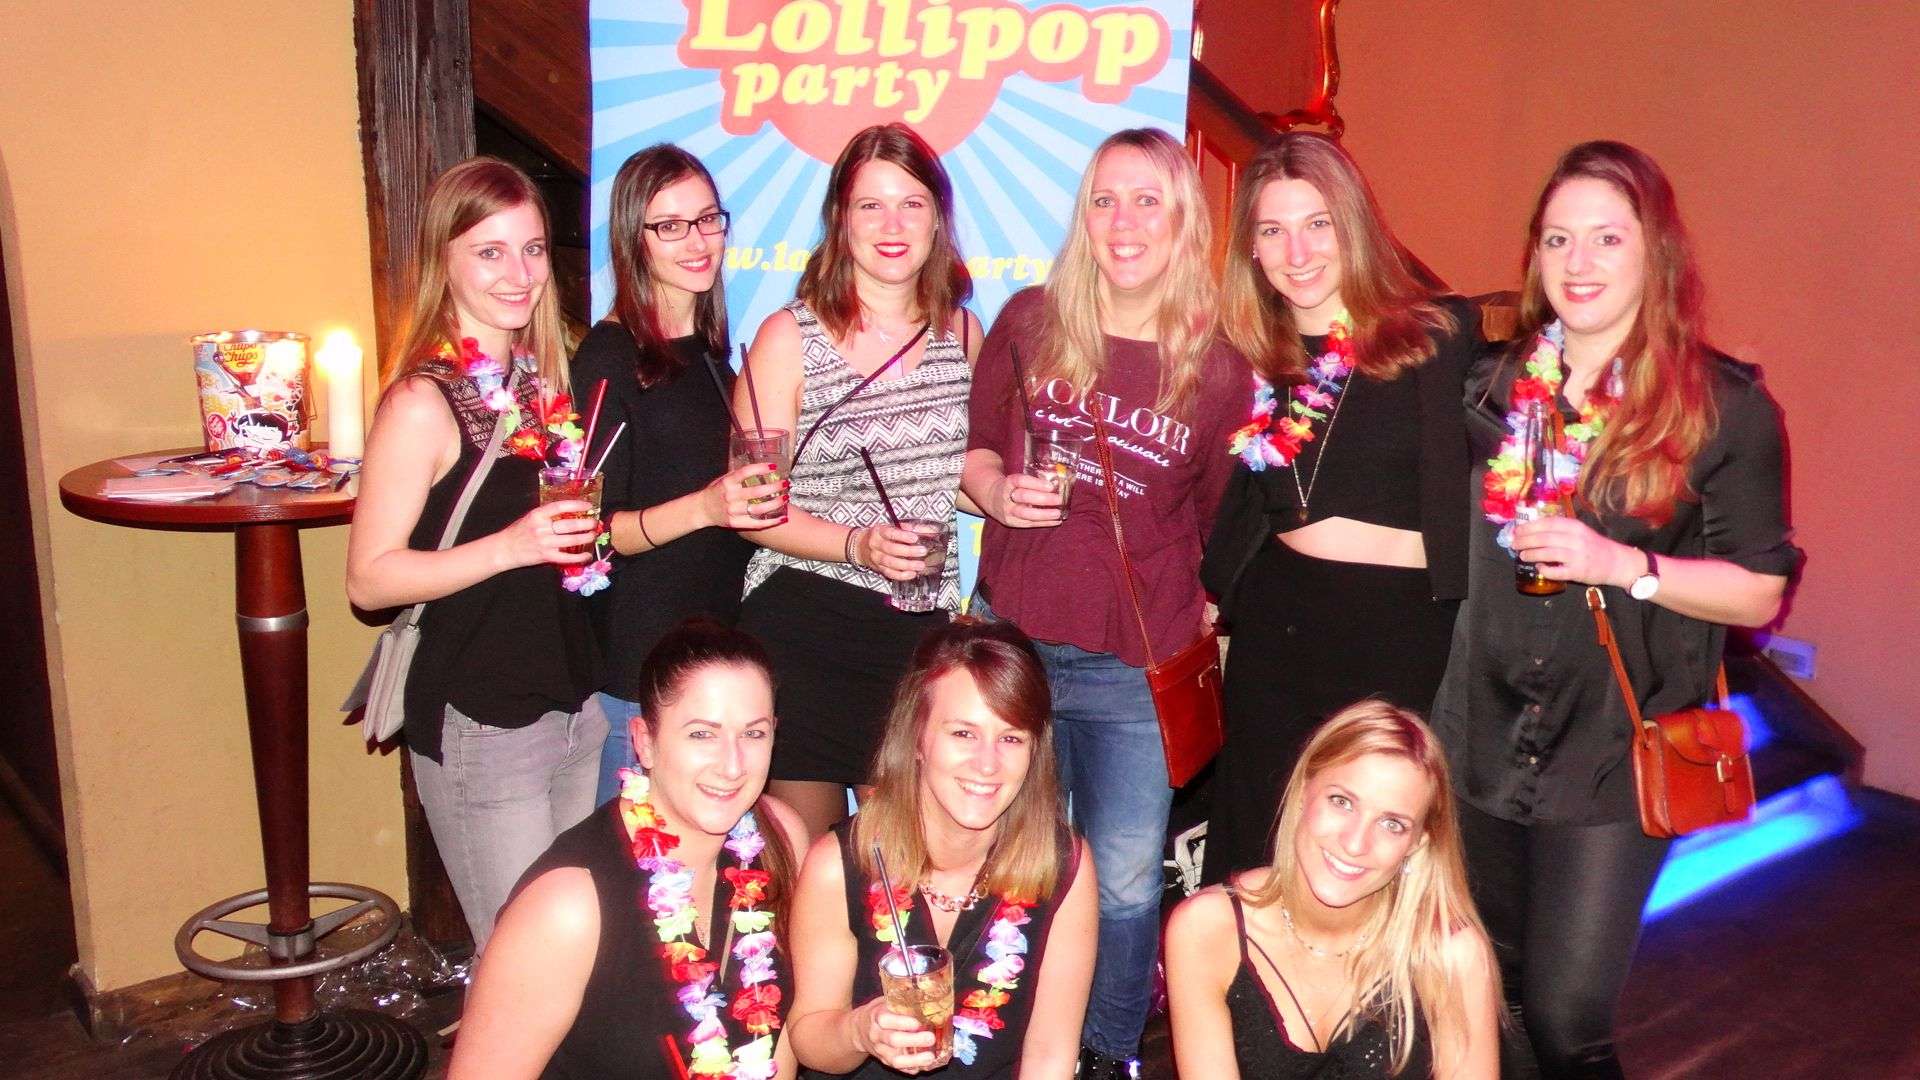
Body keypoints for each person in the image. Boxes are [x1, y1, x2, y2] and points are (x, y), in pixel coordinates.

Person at [1433, 141, 1800, 1078]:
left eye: (1607, 237)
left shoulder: (1719, 406)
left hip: (1611, 749)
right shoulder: (1487, 388)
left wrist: (1621, 564)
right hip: (1478, 734)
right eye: (1558, 239)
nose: (1579, 262)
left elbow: (1760, 587)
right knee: (1495, 993)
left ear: (1655, 253)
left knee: (1567, 1017)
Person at [961, 127, 1248, 1077]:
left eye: (1147, 201)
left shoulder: (1220, 370)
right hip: (1012, 648)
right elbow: (976, 453)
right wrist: (997, 493)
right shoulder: (1029, 321)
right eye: (1104, 200)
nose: (1123, 222)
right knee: (1001, 869)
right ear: (1083, 216)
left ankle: (1106, 1055)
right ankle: (998, 1046)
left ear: (1184, 221)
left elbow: (1219, 524)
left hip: (1136, 667)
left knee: (1124, 889)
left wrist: (1208, 613)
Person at [1199, 132, 1483, 884]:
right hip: (1280, 632)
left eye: (1317, 223)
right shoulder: (1246, 357)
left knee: (1372, 853)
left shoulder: (1434, 336)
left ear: (1353, 225)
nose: (1297, 251)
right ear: (1250, 247)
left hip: (1399, 631)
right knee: (1263, 850)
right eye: (1272, 229)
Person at [346, 157, 605, 951]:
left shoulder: (540, 383)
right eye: (490, 252)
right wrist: (512, 545)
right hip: (484, 722)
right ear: (444, 260)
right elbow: (369, 580)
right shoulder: (422, 402)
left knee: (578, 955)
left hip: (574, 707)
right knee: (522, 965)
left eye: (532, 249)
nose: (518, 274)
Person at [736, 123, 982, 838]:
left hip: (916, 635)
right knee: (805, 869)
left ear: (938, 218)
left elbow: (957, 474)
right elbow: (750, 507)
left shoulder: (963, 334)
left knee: (907, 868)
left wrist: (1005, 494)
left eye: (911, 204)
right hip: (805, 626)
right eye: (870, 206)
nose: (892, 225)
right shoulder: (789, 337)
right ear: (840, 221)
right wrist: (858, 545)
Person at [449, 617, 810, 1079]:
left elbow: (782, 1035)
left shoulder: (781, 835)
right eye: (702, 733)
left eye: (753, 733)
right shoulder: (566, 907)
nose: (732, 765)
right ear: (645, 742)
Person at [786, 618, 1097, 1078]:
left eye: (1011, 738)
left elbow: (1049, 1053)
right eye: (963, 733)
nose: (987, 764)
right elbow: (809, 1039)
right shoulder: (841, 863)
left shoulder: (1062, 863)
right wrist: (860, 1032)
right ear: (917, 737)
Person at [573, 144, 786, 805]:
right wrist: (706, 508)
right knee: (641, 861)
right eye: (669, 226)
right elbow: (590, 533)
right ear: (632, 238)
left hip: (711, 658)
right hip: (641, 672)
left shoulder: (710, 353)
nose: (697, 242)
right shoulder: (610, 356)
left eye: (707, 220)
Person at [1166, 700, 1500, 1079]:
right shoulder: (1208, 928)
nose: (1355, 843)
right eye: (1342, 802)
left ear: (1417, 844)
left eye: (1391, 824)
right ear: (1303, 792)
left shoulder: (1451, 955)